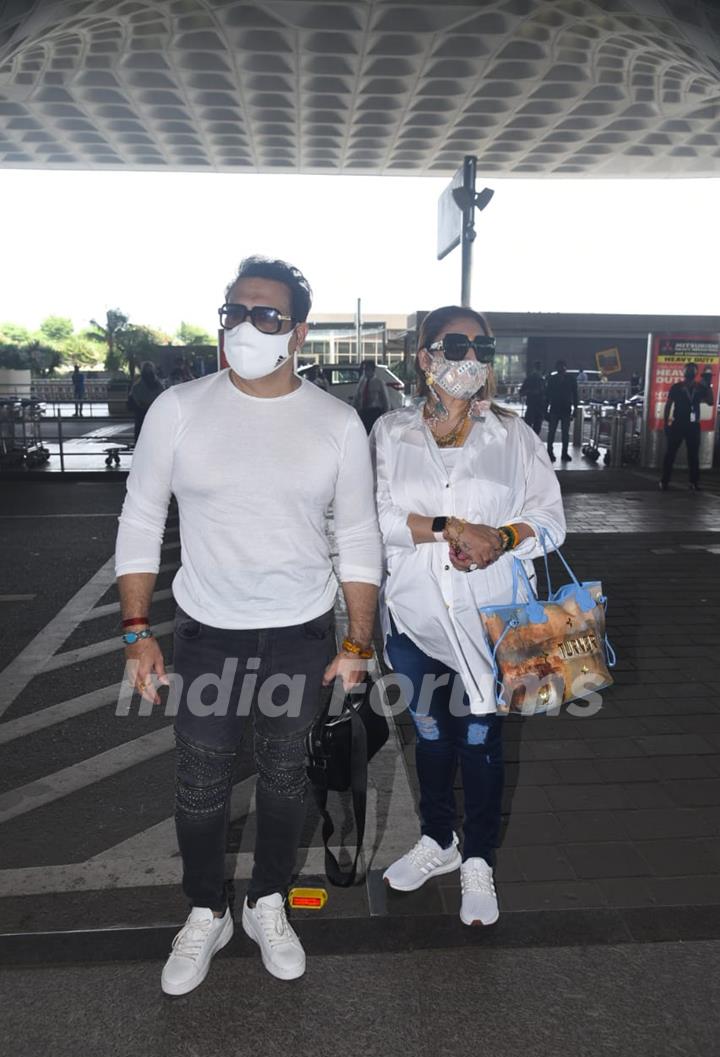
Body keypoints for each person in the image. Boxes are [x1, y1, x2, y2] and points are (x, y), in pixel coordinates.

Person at [115, 255, 381, 995]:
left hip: (300, 634)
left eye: (266, 315)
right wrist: (137, 630)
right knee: (199, 787)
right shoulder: (179, 408)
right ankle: (207, 909)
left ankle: (268, 901)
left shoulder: (335, 422)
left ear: (297, 331)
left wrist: (358, 641)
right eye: (235, 310)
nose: (244, 326)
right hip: (207, 634)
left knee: (287, 779)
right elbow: (141, 518)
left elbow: (359, 537)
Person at [370, 305, 566, 927]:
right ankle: (439, 840)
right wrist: (449, 528)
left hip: (491, 621)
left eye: (483, 346)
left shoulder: (514, 436)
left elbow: (551, 522)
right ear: (424, 355)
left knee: (481, 739)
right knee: (430, 735)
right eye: (455, 344)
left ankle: (477, 857)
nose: (471, 358)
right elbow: (370, 520)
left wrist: (502, 538)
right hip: (414, 617)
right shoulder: (388, 433)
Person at [660, 363, 714, 492]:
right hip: (678, 423)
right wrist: (666, 422)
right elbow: (668, 405)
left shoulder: (700, 387)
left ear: (695, 373)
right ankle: (664, 481)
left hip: (693, 425)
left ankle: (694, 482)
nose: (689, 372)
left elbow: (710, 402)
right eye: (688, 370)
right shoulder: (677, 387)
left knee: (693, 455)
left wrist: (708, 386)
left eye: (692, 370)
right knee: (670, 454)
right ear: (684, 372)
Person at [545, 360, 578, 462]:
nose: (561, 369)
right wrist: (545, 409)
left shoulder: (569, 379)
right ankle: (550, 452)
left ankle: (563, 452)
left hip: (563, 408)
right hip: (557, 408)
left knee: (563, 433)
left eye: (562, 367)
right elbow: (547, 395)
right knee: (553, 432)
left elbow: (575, 395)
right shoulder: (554, 379)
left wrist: (575, 408)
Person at [128, 362, 164, 442]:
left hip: (143, 414)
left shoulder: (137, 386)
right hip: (151, 413)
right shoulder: (158, 385)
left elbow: (135, 399)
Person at [355, 358, 391, 433]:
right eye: (364, 369)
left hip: (374, 412)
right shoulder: (362, 382)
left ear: (372, 370)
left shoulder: (379, 383)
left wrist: (385, 416)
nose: (365, 371)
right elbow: (357, 397)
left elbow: (385, 401)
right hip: (364, 412)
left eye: (367, 369)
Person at [519, 362, 545, 435]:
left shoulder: (541, 379)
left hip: (538, 405)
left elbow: (522, 391)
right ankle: (531, 440)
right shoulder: (533, 379)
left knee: (536, 425)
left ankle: (532, 440)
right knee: (531, 425)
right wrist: (531, 391)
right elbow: (522, 391)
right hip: (533, 404)